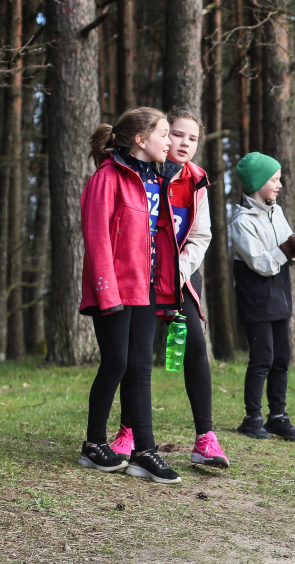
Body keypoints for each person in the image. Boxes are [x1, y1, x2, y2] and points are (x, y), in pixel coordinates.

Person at [110, 108, 229, 468]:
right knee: (136, 354)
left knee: (195, 343)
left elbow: (201, 234)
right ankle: (129, 431)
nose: (184, 144)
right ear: (160, 134)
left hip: (180, 275)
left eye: (192, 138)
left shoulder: (196, 179)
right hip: (139, 276)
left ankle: (206, 438)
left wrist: (178, 269)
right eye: (177, 135)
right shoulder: (140, 172)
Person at [79, 107, 183, 484]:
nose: (170, 142)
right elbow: (97, 238)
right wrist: (107, 291)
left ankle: (144, 453)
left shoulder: (156, 180)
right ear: (141, 140)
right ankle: (93, 444)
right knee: (116, 364)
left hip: (145, 288)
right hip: (114, 290)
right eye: (165, 134)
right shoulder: (107, 178)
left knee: (141, 369)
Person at [228, 152, 295, 441]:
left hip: (280, 295)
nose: (279, 184)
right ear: (257, 183)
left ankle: (277, 417)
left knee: (282, 357)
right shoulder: (241, 221)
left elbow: (291, 258)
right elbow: (259, 263)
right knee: (262, 358)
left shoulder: (277, 212)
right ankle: (252, 417)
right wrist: (290, 247)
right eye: (274, 179)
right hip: (256, 298)